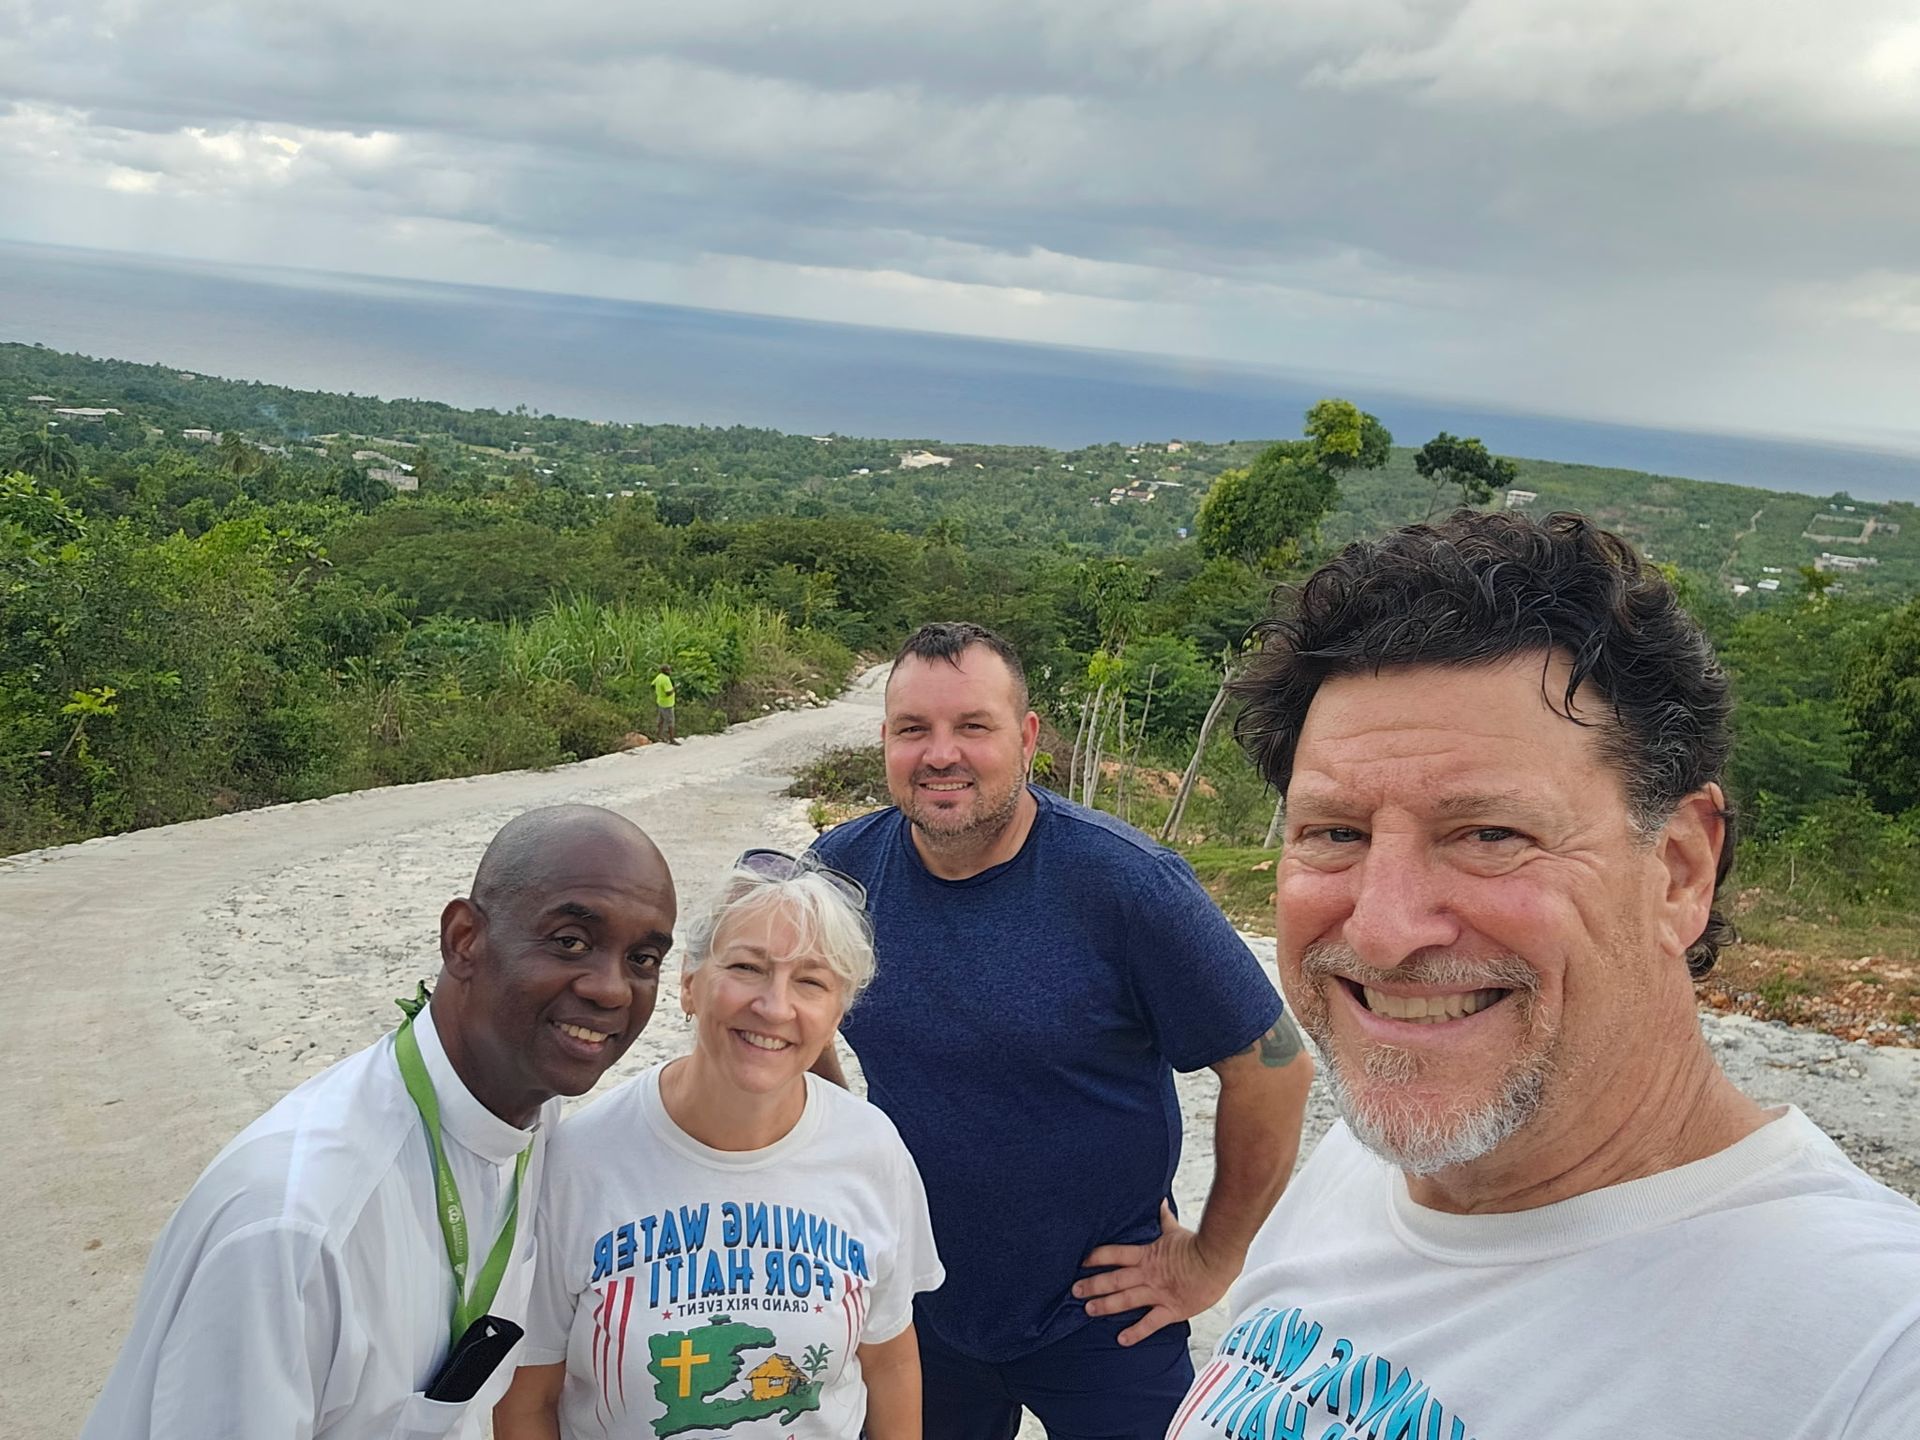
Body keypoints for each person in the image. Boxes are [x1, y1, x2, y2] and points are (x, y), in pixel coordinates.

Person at [1167, 511, 1920, 1440]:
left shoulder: (1872, 1356)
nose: (1385, 931)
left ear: (1680, 871)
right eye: (1336, 833)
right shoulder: (1371, 1163)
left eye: (1490, 834)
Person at [808, 621, 1314, 1440]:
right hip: (915, 1301)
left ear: (1027, 737)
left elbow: (1276, 1068)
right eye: (913, 729)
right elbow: (784, 1022)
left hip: (1105, 1315)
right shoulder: (841, 873)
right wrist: (841, 1150)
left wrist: (1210, 1261)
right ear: (886, 741)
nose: (941, 754)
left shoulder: (1126, 884)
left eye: (973, 726)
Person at [83, 804, 677, 1440]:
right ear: (464, 940)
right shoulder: (296, 1226)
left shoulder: (531, 1117)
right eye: (570, 942)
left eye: (643, 959)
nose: (613, 989)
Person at [496, 849, 943, 1440]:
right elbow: (528, 1396)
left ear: (838, 1013)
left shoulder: (872, 1148)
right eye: (748, 968)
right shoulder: (579, 1160)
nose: (774, 1006)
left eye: (811, 981)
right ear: (689, 983)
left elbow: (889, 1361)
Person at [652, 663, 679, 745]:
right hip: (667, 704)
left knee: (661, 720)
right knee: (670, 721)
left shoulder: (659, 677)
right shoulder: (666, 679)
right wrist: (675, 688)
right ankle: (672, 739)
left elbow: (652, 684)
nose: (670, 671)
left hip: (660, 702)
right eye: (669, 670)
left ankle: (659, 736)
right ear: (666, 671)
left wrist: (658, 692)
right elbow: (668, 693)